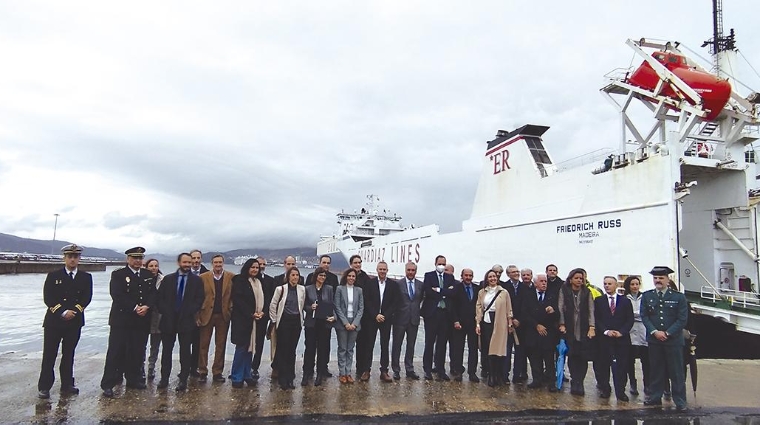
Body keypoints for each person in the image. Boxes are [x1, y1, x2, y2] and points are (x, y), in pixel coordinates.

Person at [37, 244, 93, 399]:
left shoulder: (86, 277)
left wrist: (74, 310)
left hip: (74, 322)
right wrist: (62, 311)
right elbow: (48, 297)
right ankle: (44, 387)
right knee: (49, 355)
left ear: (79, 259)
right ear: (65, 258)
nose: (73, 259)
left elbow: (86, 297)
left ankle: (67, 384)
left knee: (69, 354)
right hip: (54, 322)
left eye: (76, 257)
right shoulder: (53, 276)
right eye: (70, 257)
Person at [100, 247, 156, 398]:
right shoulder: (118, 274)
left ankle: (133, 379)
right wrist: (134, 307)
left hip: (141, 321)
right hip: (122, 320)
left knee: (136, 352)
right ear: (128, 259)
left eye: (140, 258)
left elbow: (152, 294)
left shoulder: (147, 274)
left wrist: (147, 306)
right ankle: (108, 384)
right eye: (134, 258)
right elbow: (117, 295)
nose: (137, 261)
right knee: (115, 352)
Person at [641, 266, 689, 412]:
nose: (658, 281)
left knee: (676, 371)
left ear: (668, 279)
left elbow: (682, 319)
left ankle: (680, 400)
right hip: (655, 340)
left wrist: (667, 333)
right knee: (656, 370)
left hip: (673, 340)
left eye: (661, 278)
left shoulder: (678, 297)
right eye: (655, 278)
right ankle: (655, 397)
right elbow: (645, 316)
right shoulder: (647, 296)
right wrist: (655, 331)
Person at [157, 253, 205, 391]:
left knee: (185, 352)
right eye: (185, 262)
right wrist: (166, 312)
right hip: (168, 320)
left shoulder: (197, 281)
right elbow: (160, 299)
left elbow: (199, 299)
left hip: (186, 320)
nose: (187, 265)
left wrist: (188, 311)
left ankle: (183, 379)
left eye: (189, 262)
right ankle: (164, 378)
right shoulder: (168, 279)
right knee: (166, 351)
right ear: (179, 263)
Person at [594, 276, 633, 401]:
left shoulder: (625, 301)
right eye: (605, 284)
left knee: (621, 367)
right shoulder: (599, 301)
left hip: (621, 339)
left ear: (616, 285)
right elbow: (597, 319)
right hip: (604, 339)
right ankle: (605, 389)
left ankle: (620, 392)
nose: (606, 286)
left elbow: (629, 319)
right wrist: (606, 331)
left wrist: (621, 332)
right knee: (603, 366)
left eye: (609, 283)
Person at [558, 268, 596, 396]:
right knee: (572, 355)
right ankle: (574, 380)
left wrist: (592, 327)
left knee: (583, 356)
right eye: (577, 278)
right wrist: (562, 324)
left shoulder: (587, 292)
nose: (579, 280)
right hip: (569, 327)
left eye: (581, 278)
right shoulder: (564, 290)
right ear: (571, 279)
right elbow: (560, 307)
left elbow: (591, 310)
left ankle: (580, 381)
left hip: (583, 326)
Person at [197, 254, 234, 383]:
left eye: (220, 262)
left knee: (221, 345)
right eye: (215, 262)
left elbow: (233, 296)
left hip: (223, 315)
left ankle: (217, 372)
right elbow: (198, 297)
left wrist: (230, 308)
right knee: (203, 344)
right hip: (207, 314)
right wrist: (197, 315)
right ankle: (202, 371)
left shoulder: (231, 277)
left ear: (223, 263)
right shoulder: (203, 277)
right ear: (212, 263)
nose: (218, 265)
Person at [521, 273, 560, 392]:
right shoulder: (528, 295)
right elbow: (524, 313)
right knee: (534, 357)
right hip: (533, 331)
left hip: (548, 332)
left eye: (545, 281)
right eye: (542, 281)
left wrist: (553, 311)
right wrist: (536, 325)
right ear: (536, 283)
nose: (544, 283)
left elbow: (559, 313)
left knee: (549, 359)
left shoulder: (553, 296)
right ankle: (536, 380)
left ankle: (551, 382)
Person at [269, 267, 306, 390]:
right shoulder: (281, 289)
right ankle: (282, 378)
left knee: (292, 350)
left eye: (297, 275)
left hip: (296, 322)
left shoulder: (302, 289)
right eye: (293, 275)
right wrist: (274, 320)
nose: (295, 277)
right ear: (288, 276)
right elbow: (273, 305)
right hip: (284, 321)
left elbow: (302, 305)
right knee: (283, 349)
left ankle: (291, 377)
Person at [421, 255, 457, 381]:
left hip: (445, 314)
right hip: (432, 313)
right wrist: (445, 291)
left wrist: (438, 290)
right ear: (435, 263)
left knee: (442, 343)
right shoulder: (428, 275)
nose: (441, 266)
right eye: (439, 263)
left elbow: (453, 293)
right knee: (429, 342)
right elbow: (428, 292)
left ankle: (440, 369)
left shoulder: (450, 277)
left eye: (443, 264)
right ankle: (427, 369)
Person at [475, 269, 513, 387]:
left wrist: (510, 322)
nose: (492, 279)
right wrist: (477, 323)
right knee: (488, 349)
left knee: (499, 350)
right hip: (487, 321)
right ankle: (491, 375)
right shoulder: (482, 292)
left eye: (494, 277)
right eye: (490, 277)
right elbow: (479, 307)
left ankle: (499, 375)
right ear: (487, 279)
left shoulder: (504, 292)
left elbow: (508, 308)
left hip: (500, 321)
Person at [229, 259, 263, 388]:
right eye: (252, 267)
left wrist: (261, 313)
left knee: (250, 349)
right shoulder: (240, 280)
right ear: (247, 268)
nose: (255, 270)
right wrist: (250, 313)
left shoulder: (258, 282)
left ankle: (247, 374)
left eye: (257, 267)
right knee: (241, 348)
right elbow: (238, 300)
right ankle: (236, 376)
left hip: (255, 321)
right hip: (242, 321)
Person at [302, 267, 336, 386]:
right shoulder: (307, 289)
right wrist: (310, 308)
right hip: (311, 322)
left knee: (323, 348)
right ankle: (307, 372)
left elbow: (333, 304)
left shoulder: (329, 289)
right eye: (320, 275)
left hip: (324, 322)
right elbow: (303, 305)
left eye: (324, 276)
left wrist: (333, 317)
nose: (322, 277)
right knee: (310, 348)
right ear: (316, 276)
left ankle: (320, 373)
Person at [391, 262, 424, 381]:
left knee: (411, 345)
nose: (411, 272)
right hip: (399, 319)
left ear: (416, 271)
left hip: (413, 319)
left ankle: (409, 369)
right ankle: (396, 370)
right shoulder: (398, 284)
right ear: (405, 270)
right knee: (397, 345)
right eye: (409, 270)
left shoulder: (421, 285)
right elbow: (394, 301)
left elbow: (420, 300)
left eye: (413, 270)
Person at [334, 269, 364, 384]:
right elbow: (337, 307)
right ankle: (342, 373)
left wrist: (355, 323)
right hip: (343, 323)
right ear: (346, 277)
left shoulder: (359, 290)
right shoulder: (340, 289)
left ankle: (348, 372)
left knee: (350, 349)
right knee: (342, 348)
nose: (351, 278)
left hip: (355, 323)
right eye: (349, 276)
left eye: (353, 276)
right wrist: (346, 323)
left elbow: (361, 308)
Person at [450, 268, 480, 382]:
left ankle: (472, 372)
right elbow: (453, 306)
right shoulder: (457, 288)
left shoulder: (477, 289)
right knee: (458, 348)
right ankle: (458, 371)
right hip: (460, 323)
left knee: (473, 348)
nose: (468, 278)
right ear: (462, 276)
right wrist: (455, 320)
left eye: (470, 276)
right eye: (466, 275)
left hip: (473, 323)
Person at [623, 275, 649, 396]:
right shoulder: (624, 298)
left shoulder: (645, 297)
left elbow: (646, 313)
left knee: (646, 360)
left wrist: (636, 315)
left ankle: (647, 384)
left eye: (637, 284)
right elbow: (627, 314)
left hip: (644, 330)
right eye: (632, 284)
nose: (635, 287)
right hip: (630, 330)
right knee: (630, 360)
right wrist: (636, 315)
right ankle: (633, 383)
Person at [504, 264, 529, 384]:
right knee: (507, 351)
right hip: (507, 323)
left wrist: (519, 319)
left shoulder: (525, 288)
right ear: (508, 274)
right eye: (513, 272)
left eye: (517, 271)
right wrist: (511, 318)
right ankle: (505, 375)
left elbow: (526, 306)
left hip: (521, 324)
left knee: (520, 351)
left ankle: (517, 375)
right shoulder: (504, 287)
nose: (516, 273)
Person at [252, 256, 275, 379]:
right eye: (258, 264)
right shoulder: (247, 280)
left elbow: (270, 300)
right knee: (245, 343)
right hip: (249, 317)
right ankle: (244, 367)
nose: (261, 266)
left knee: (259, 343)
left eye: (263, 264)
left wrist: (264, 313)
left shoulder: (270, 281)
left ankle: (255, 367)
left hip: (263, 317)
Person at [188, 249, 208, 378]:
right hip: (185, 314)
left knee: (197, 343)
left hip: (200, 315)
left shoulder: (207, 274)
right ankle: (185, 367)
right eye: (193, 258)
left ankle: (194, 368)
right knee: (185, 343)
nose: (196, 261)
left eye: (198, 258)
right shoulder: (184, 273)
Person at [145, 259, 164, 380]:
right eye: (151, 266)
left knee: (155, 344)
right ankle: (140, 367)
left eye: (156, 266)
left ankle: (151, 367)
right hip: (145, 315)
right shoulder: (142, 279)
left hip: (158, 316)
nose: (153, 268)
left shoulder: (163, 280)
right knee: (141, 344)